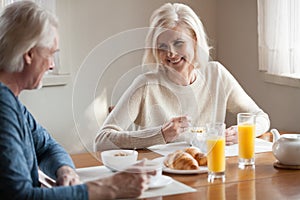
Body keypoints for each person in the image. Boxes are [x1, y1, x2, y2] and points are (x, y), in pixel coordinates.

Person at [0, 1, 153, 200]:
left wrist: (65, 170)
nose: (52, 65)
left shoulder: (13, 103)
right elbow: (21, 197)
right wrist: (107, 189)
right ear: (29, 53)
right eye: (50, 54)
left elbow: (48, 147)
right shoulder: (3, 106)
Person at [94, 3, 270, 151]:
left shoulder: (216, 74)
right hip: (162, 174)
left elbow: (261, 117)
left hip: (209, 171)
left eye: (178, 43)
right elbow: (101, 140)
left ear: (195, 40)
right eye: (162, 46)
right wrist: (161, 134)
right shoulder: (146, 84)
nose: (170, 53)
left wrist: (244, 131)